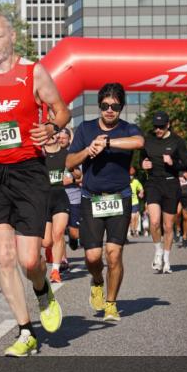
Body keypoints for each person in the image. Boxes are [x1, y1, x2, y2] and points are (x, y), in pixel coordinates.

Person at [0, 13, 70, 357]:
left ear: (12, 37)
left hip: (28, 173)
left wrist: (50, 129)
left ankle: (41, 291)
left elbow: (62, 111)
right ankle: (26, 331)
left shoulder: (33, 72)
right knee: (4, 257)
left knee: (28, 260)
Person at [66, 83, 144, 323]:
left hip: (119, 198)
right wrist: (89, 150)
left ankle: (111, 304)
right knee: (92, 257)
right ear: (99, 106)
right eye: (105, 105)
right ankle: (97, 281)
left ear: (121, 107)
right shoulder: (85, 129)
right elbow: (69, 161)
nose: (110, 110)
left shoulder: (128, 129)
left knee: (113, 254)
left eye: (115, 106)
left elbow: (139, 142)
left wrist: (108, 143)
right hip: (91, 199)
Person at [141, 111, 187, 274]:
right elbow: (141, 158)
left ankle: (167, 260)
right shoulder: (147, 139)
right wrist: (143, 164)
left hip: (171, 184)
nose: (158, 130)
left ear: (168, 125)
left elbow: (186, 165)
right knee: (154, 222)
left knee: (168, 226)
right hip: (153, 183)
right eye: (156, 127)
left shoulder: (177, 141)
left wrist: (173, 163)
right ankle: (158, 252)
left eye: (161, 127)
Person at [43, 125, 71, 284]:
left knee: (59, 233)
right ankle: (49, 250)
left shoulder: (66, 154)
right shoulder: (38, 155)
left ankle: (55, 271)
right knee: (46, 241)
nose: (51, 135)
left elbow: (79, 175)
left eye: (54, 133)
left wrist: (73, 177)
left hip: (60, 196)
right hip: (44, 199)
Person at [61, 129, 83, 257]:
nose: (61, 140)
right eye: (60, 137)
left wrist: (72, 180)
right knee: (58, 231)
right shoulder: (52, 153)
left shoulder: (74, 155)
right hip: (58, 197)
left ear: (69, 139)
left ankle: (73, 237)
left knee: (74, 232)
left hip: (74, 197)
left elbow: (83, 177)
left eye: (64, 138)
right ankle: (62, 260)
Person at [128, 166, 145, 237]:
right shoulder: (124, 182)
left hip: (135, 202)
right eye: (129, 175)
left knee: (136, 217)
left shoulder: (136, 182)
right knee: (131, 217)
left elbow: (141, 189)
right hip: (128, 203)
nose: (131, 177)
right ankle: (131, 230)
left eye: (132, 175)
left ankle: (134, 230)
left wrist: (141, 193)